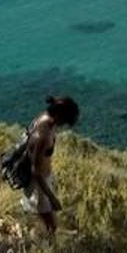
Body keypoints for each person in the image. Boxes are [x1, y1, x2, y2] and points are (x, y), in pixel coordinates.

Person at [22, 95, 79, 235]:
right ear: (59, 115)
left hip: (43, 178)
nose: (64, 124)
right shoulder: (43, 135)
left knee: (49, 216)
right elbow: (35, 170)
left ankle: (43, 233)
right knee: (51, 225)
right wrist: (52, 198)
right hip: (38, 182)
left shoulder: (45, 118)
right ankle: (46, 248)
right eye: (65, 121)